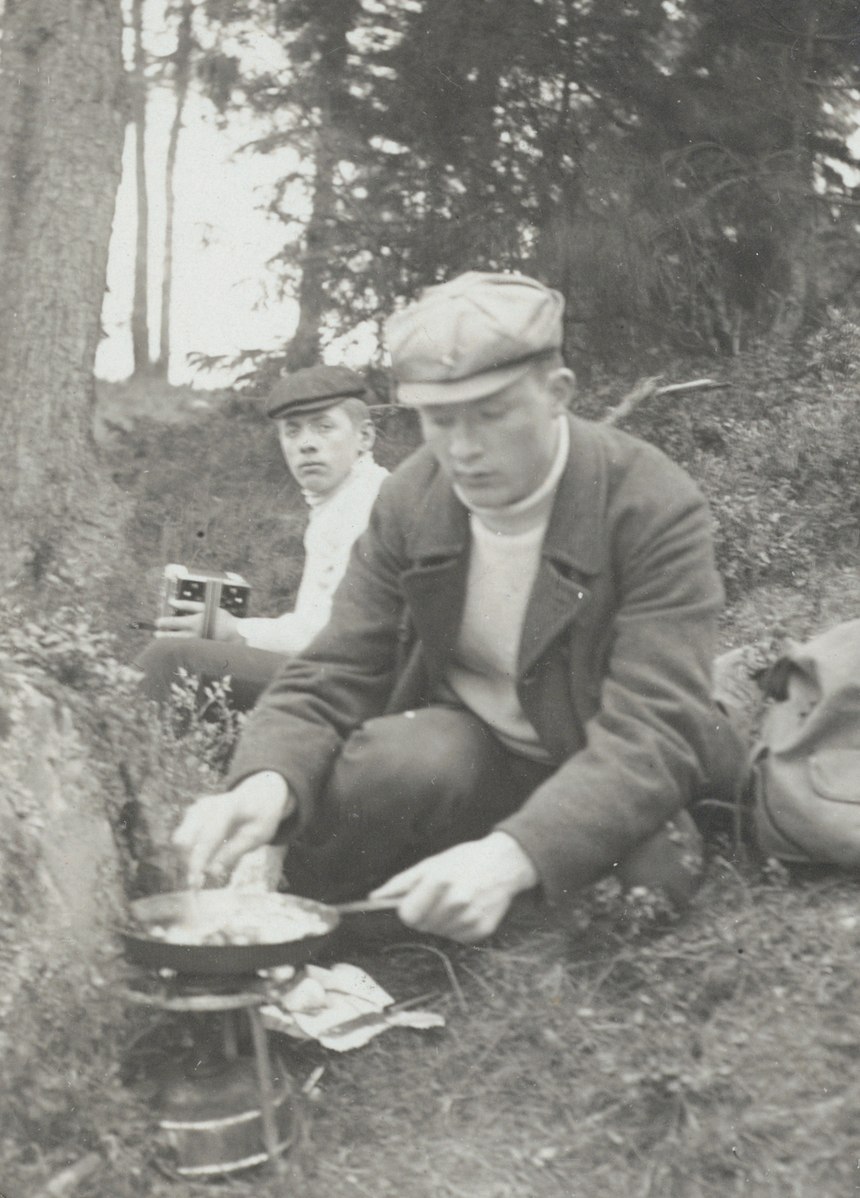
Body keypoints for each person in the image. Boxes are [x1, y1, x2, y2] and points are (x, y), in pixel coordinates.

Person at [173, 272, 743, 942]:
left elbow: (654, 732)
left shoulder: (650, 505)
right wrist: (265, 783)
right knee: (399, 762)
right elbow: (333, 670)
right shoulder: (411, 500)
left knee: (647, 886)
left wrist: (514, 855)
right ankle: (334, 915)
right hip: (478, 754)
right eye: (439, 420)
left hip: (601, 754)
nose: (464, 450)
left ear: (558, 395)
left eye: (493, 414)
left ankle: (493, 870)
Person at [136, 364, 389, 712]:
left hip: (369, 687)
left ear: (364, 437)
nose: (306, 445)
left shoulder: (371, 504)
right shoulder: (341, 499)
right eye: (292, 431)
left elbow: (330, 637)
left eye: (324, 427)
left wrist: (236, 632)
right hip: (350, 676)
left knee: (171, 658)